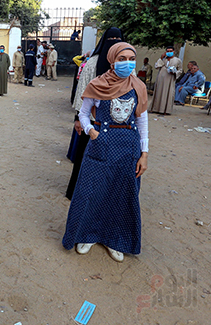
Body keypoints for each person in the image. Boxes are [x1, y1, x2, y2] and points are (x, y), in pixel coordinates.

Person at [62, 42, 149, 263]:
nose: (127, 63)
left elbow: (142, 120)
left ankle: (115, 239)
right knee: (92, 190)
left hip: (128, 147)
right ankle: (87, 235)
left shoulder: (138, 86)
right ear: (112, 60)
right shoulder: (97, 84)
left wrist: (144, 153)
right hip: (101, 142)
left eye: (131, 58)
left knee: (121, 193)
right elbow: (83, 114)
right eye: (121, 59)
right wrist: (91, 131)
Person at [66, 27, 124, 199]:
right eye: (110, 38)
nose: (114, 41)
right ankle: (77, 192)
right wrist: (78, 118)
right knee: (85, 157)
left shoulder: (125, 66)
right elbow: (82, 91)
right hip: (91, 121)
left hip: (116, 122)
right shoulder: (92, 63)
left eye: (117, 38)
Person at [149, 45, 182, 115]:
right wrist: (161, 57)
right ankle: (155, 108)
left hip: (170, 78)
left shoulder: (177, 60)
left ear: (174, 51)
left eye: (171, 51)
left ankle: (165, 110)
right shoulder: (163, 59)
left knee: (168, 93)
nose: (169, 52)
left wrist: (175, 73)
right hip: (160, 78)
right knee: (159, 92)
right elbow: (157, 66)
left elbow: (180, 70)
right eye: (167, 51)